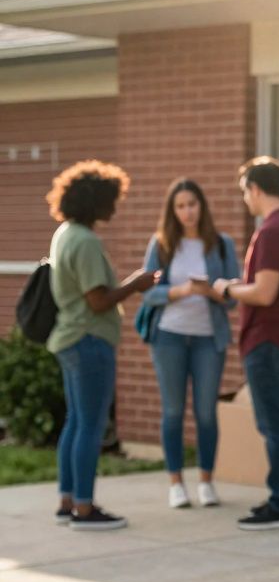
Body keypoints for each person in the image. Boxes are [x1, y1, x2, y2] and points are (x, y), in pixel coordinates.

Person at [44, 160, 156, 531]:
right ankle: (86, 509)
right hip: (89, 340)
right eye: (112, 199)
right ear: (95, 201)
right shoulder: (86, 241)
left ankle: (68, 501)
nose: (115, 207)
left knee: (76, 422)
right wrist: (136, 284)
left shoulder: (65, 233)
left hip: (70, 338)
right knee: (91, 426)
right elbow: (98, 300)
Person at [213, 157, 279, 531]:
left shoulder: (272, 231)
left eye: (244, 192)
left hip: (269, 340)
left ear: (255, 189)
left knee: (273, 422)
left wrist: (227, 288)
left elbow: (265, 292)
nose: (245, 201)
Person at [140, 178, 240, 509]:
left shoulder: (221, 244)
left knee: (206, 412)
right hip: (169, 336)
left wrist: (211, 291)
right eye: (180, 206)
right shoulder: (162, 244)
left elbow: (233, 297)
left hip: (208, 338)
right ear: (172, 210)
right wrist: (180, 291)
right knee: (172, 410)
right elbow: (148, 291)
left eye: (192, 204)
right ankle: (175, 483)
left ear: (202, 206)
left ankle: (207, 481)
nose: (187, 212)